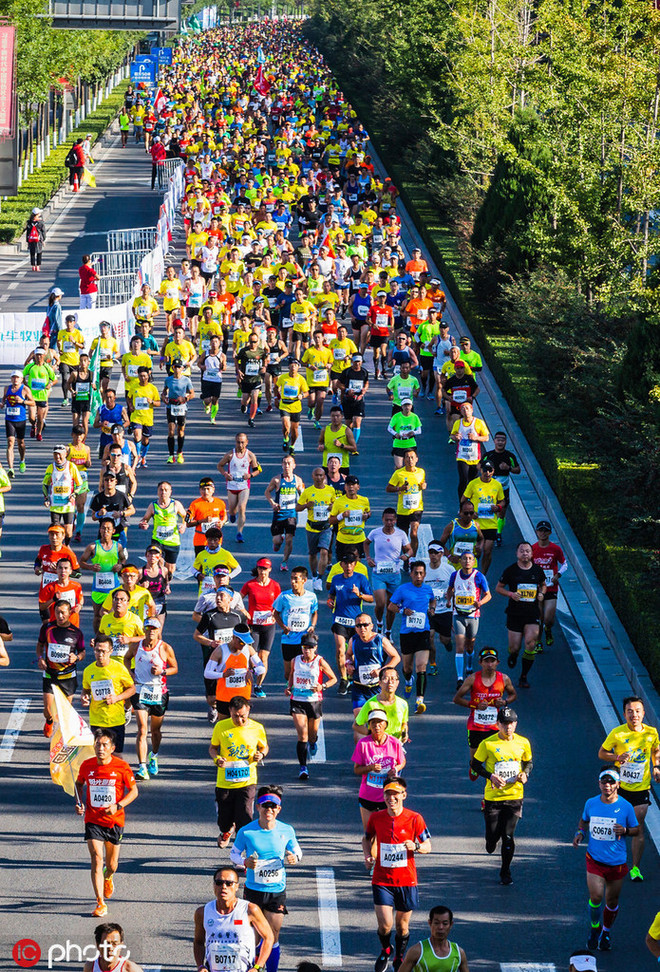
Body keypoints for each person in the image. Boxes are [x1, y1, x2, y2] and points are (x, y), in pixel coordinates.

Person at [362, 778, 432, 972]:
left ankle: (399, 957)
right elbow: (366, 839)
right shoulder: (376, 818)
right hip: (382, 879)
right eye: (387, 794)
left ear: (403, 795)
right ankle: (386, 949)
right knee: (385, 925)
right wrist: (368, 855)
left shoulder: (415, 818)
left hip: (406, 880)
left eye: (395, 794)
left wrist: (416, 846)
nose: (391, 798)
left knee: (402, 926)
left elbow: (428, 846)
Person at [230, 786, 303, 972]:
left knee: (273, 934)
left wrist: (294, 857)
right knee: (252, 936)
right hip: (254, 890)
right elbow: (234, 854)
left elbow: (297, 851)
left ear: (279, 809)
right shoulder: (246, 831)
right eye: (265, 806)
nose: (268, 810)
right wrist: (244, 862)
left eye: (273, 807)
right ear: (258, 807)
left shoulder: (287, 830)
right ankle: (252, 968)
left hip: (276, 891)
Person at [572, 768, 639, 951]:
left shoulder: (625, 807)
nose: (607, 786)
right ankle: (595, 928)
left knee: (612, 902)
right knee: (596, 897)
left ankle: (606, 932)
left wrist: (625, 831)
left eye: (611, 782)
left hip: (616, 862)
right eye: (603, 782)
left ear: (618, 784)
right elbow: (584, 820)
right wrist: (580, 833)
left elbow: (636, 830)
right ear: (599, 783)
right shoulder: (591, 803)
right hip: (594, 860)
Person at [75, 727, 139, 917]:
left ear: (112, 748)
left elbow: (134, 791)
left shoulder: (122, 767)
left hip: (114, 821)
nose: (100, 748)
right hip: (93, 820)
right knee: (96, 858)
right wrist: (79, 802)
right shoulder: (86, 765)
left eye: (104, 745)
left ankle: (109, 877)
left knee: (111, 865)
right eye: (97, 744)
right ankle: (100, 902)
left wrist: (118, 806)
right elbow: (79, 784)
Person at [597, 695, 660, 882]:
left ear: (643, 713)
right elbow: (601, 753)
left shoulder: (651, 733)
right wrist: (616, 758)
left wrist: (656, 767)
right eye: (630, 711)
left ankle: (635, 868)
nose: (634, 715)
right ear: (624, 714)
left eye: (638, 711)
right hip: (619, 788)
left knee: (637, 827)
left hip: (641, 788)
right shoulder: (617, 734)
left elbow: (656, 750)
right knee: (615, 827)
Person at [471, 707, 532, 886]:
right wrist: (491, 776)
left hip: (514, 795)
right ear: (498, 724)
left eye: (511, 723)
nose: (508, 727)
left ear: (516, 724)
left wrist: (525, 774)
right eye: (504, 724)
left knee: (508, 836)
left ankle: (505, 871)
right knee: (492, 839)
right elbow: (474, 764)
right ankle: (490, 841)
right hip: (493, 797)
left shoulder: (523, 742)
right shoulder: (488, 743)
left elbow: (528, 762)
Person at [209, 696, 268, 847]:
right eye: (236, 716)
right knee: (224, 820)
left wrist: (260, 754)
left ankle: (240, 852)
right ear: (230, 711)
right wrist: (217, 759)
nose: (240, 720)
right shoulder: (221, 726)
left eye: (243, 716)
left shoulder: (257, 728)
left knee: (245, 817)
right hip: (225, 781)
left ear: (248, 710)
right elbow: (213, 748)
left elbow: (264, 747)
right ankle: (226, 831)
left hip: (247, 781)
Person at [124, 617, 178, 780]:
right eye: (148, 628)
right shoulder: (136, 646)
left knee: (155, 731)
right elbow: (126, 658)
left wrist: (162, 672)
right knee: (141, 729)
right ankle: (142, 767)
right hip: (140, 690)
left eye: (154, 629)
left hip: (158, 692)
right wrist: (130, 673)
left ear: (159, 630)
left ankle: (153, 756)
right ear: (144, 629)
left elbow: (175, 668)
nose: (151, 631)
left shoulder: (165, 648)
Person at [193, 865, 273, 972]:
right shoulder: (203, 912)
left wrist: (258, 967)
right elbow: (198, 942)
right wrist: (200, 966)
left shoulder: (250, 910)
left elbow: (269, 937)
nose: (224, 887)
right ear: (214, 886)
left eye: (229, 883)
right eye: (219, 883)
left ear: (237, 887)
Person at [452, 647, 517, 779]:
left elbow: (513, 695)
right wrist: (475, 705)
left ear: (497, 662)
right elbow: (457, 699)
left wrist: (504, 702)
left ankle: (492, 788)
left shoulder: (504, 679)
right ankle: (474, 767)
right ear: (480, 662)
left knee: (495, 763)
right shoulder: (472, 679)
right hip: (476, 726)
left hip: (495, 726)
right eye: (486, 661)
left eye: (492, 661)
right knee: (476, 761)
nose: (489, 664)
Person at [286, 631, 337, 780]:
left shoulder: (320, 661)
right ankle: (303, 767)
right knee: (302, 734)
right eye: (304, 647)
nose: (307, 650)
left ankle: (313, 742)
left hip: (314, 701)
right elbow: (291, 675)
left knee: (312, 734)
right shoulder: (295, 660)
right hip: (297, 700)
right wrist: (289, 687)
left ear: (315, 648)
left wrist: (323, 686)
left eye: (310, 647)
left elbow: (333, 678)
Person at [495, 542, 547, 688]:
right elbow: (498, 588)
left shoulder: (537, 570)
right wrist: (511, 594)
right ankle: (513, 655)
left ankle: (523, 676)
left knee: (531, 643)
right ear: (517, 553)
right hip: (514, 614)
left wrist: (542, 593)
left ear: (531, 554)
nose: (525, 553)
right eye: (522, 551)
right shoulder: (510, 571)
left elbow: (543, 584)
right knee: (514, 647)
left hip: (532, 613)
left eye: (527, 551)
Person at [389, 562, 436, 714]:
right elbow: (391, 606)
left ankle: (419, 701)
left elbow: (432, 600)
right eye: (416, 573)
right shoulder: (403, 589)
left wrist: (432, 608)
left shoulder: (428, 589)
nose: (419, 576)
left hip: (423, 632)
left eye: (421, 573)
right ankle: (408, 680)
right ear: (411, 574)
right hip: (407, 633)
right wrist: (403, 610)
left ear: (425, 574)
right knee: (407, 668)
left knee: (421, 667)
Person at [37, 599, 85, 737]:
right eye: (57, 612)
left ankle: (61, 737)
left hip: (68, 676)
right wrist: (40, 659)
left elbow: (82, 651)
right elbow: (39, 645)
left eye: (63, 613)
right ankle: (49, 720)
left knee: (65, 710)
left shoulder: (76, 632)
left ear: (69, 613)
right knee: (48, 709)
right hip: (50, 673)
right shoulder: (47, 628)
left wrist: (77, 658)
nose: (60, 616)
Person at [194, 587, 243, 723]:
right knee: (212, 697)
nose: (218, 598)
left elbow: (245, 637)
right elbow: (196, 636)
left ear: (230, 599)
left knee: (232, 691)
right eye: (217, 596)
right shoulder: (209, 616)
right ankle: (214, 707)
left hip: (233, 660)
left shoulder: (238, 616)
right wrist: (211, 643)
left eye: (222, 596)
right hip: (214, 659)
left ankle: (230, 717)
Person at [328, 551, 374, 695]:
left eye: (351, 563)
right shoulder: (336, 579)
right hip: (339, 620)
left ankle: (354, 676)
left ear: (355, 565)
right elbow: (331, 595)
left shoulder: (361, 579)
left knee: (354, 652)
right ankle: (343, 679)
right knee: (341, 650)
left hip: (356, 623)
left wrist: (359, 594)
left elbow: (371, 598)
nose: (348, 566)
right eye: (345, 563)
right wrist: (330, 601)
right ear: (341, 565)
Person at [81, 635, 135, 755]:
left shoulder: (119, 668)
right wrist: (84, 697)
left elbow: (132, 689)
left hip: (115, 720)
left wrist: (117, 698)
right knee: (98, 755)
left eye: (104, 651)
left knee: (116, 756)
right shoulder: (88, 671)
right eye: (97, 651)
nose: (100, 654)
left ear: (111, 651)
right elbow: (86, 690)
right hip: (97, 721)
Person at [352, 708, 406, 829]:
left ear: (386, 725)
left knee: (385, 832)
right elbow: (356, 769)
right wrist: (370, 768)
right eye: (373, 722)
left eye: (380, 722)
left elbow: (402, 761)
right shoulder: (363, 744)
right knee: (369, 833)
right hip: (368, 795)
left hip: (388, 796)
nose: (377, 725)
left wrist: (395, 769)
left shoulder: (394, 742)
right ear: (369, 726)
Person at [445, 551, 491, 688]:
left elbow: (488, 595)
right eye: (464, 558)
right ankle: (460, 678)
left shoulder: (479, 576)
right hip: (458, 614)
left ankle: (469, 666)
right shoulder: (455, 575)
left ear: (474, 561)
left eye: (470, 559)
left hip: (473, 615)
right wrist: (449, 600)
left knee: (470, 645)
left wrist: (480, 603)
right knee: (459, 646)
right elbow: (449, 590)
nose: (467, 561)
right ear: (460, 561)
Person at [365, 508, 412, 637]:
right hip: (378, 573)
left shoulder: (401, 534)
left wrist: (406, 556)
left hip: (394, 575)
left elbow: (409, 549)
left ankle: (388, 631)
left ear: (395, 520)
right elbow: (366, 543)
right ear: (382, 520)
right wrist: (368, 558)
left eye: (392, 520)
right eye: (387, 520)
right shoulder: (375, 533)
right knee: (380, 604)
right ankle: (379, 623)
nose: (389, 522)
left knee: (391, 606)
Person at [204, 623, 265, 719]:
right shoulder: (220, 651)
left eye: (245, 642)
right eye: (241, 642)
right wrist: (223, 674)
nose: (243, 645)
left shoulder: (248, 649)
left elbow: (262, 668)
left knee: (242, 727)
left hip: (243, 697)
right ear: (234, 638)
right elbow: (207, 673)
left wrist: (252, 671)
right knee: (224, 727)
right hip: (225, 697)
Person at [240, 559, 281, 698]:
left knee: (264, 657)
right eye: (261, 569)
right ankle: (247, 683)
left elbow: (279, 603)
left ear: (270, 570)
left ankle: (258, 685)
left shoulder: (275, 585)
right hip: (253, 626)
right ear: (257, 569)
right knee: (252, 656)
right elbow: (238, 599)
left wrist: (276, 614)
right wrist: (244, 611)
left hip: (269, 625)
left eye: (265, 569)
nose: (263, 572)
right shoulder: (250, 585)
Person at [273, 567, 319, 680]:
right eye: (291, 578)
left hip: (305, 639)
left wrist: (312, 625)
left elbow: (315, 613)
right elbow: (275, 613)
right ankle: (291, 689)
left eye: (296, 579)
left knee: (306, 669)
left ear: (304, 580)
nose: (293, 582)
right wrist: (283, 627)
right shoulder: (284, 596)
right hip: (288, 639)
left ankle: (302, 692)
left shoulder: (311, 597)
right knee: (288, 673)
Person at [218, 432, 262, 543]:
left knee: (242, 507)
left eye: (243, 442)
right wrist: (225, 474)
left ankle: (239, 532)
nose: (240, 445)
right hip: (232, 485)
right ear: (235, 442)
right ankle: (232, 514)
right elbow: (219, 465)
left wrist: (250, 475)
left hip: (244, 486)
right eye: (238, 442)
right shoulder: (230, 455)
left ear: (247, 442)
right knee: (233, 509)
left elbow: (257, 470)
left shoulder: (250, 455)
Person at [296, 466, 337, 589]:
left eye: (321, 475)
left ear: (324, 477)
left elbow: (335, 504)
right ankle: (314, 575)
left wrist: (332, 507)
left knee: (324, 551)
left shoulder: (330, 490)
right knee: (313, 554)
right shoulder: (308, 491)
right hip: (312, 527)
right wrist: (306, 505)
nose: (319, 478)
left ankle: (320, 576)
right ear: (312, 477)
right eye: (316, 475)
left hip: (326, 526)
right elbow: (297, 507)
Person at [397, 905, 470, 972]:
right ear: (430, 923)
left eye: (445, 924)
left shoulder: (459, 953)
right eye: (436, 923)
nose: (440, 927)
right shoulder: (417, 951)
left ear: (451, 925)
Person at [461, 460, 504, 574]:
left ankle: (482, 575)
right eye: (485, 470)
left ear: (493, 471)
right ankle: (471, 572)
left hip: (491, 523)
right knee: (476, 551)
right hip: (476, 523)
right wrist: (470, 512)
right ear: (481, 470)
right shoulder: (473, 484)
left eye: (490, 470)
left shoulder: (497, 485)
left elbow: (502, 501)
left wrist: (498, 507)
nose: (487, 473)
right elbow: (463, 500)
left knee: (488, 550)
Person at [531, 520, 567, 651]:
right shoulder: (532, 549)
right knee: (538, 617)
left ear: (550, 532)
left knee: (548, 619)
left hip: (551, 587)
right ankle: (538, 642)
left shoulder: (555, 549)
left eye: (545, 531)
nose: (543, 533)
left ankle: (548, 629)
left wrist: (558, 575)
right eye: (540, 530)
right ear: (536, 532)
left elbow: (565, 564)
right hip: (537, 589)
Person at [265, 456, 305, 572]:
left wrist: (303, 503)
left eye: (289, 463)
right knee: (276, 541)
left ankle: (284, 561)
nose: (287, 466)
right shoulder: (277, 480)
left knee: (289, 539)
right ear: (282, 465)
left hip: (291, 514)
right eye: (285, 464)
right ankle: (279, 539)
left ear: (294, 465)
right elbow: (267, 492)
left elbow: (303, 494)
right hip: (279, 514)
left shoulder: (297, 480)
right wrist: (272, 503)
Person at [139, 481, 187, 578]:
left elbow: (185, 516)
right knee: (158, 563)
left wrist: (184, 525)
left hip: (172, 541)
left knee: (170, 570)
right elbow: (145, 519)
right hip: (157, 540)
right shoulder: (153, 506)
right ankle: (159, 585)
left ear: (170, 492)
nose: (163, 492)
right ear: (157, 492)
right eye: (161, 490)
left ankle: (167, 584)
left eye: (166, 490)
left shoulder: (176, 504)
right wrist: (144, 523)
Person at [353, 667, 410, 745]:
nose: (390, 682)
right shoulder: (371, 704)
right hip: (377, 747)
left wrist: (404, 733)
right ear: (379, 683)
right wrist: (372, 734)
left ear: (398, 683)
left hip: (395, 746)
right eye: (386, 679)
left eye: (393, 679)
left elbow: (404, 723)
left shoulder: (403, 704)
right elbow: (356, 725)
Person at [386, 449, 427, 556]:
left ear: (417, 459)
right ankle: (406, 557)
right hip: (403, 509)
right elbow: (388, 488)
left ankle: (412, 557)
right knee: (403, 536)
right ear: (404, 460)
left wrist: (424, 486)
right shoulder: (398, 473)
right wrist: (400, 488)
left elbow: (423, 483)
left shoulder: (421, 472)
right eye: (407, 457)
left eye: (412, 457)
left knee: (413, 533)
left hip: (416, 508)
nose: (410, 459)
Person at [483, 430, 520, 546]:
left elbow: (518, 470)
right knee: (489, 510)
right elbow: (479, 465)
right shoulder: (488, 455)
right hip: (489, 488)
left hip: (504, 489)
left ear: (505, 442)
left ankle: (498, 533)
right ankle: (487, 532)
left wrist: (508, 467)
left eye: (502, 440)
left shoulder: (510, 456)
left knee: (501, 511)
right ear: (494, 441)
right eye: (498, 440)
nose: (500, 442)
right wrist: (486, 473)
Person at [424, 541, 455, 673]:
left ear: (442, 554)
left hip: (445, 609)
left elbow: (455, 588)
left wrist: (448, 597)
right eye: (431, 552)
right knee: (429, 636)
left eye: (436, 553)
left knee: (444, 639)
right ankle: (432, 663)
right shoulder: (424, 569)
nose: (433, 555)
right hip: (429, 609)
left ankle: (448, 643)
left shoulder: (449, 569)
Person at [42, 442, 83, 540]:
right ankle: (60, 548)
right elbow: (45, 484)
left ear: (65, 454)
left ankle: (67, 545)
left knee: (68, 532)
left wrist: (73, 495)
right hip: (55, 504)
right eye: (55, 454)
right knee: (56, 530)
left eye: (60, 454)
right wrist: (46, 498)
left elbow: (80, 485)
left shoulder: (71, 467)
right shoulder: (51, 467)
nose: (57, 456)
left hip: (68, 505)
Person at [449, 402, 489, 500]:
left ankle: (472, 502)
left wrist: (475, 438)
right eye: (463, 409)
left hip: (475, 457)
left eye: (467, 408)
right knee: (463, 480)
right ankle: (462, 504)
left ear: (472, 410)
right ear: (461, 411)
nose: (465, 411)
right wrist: (455, 437)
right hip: (462, 456)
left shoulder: (479, 422)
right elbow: (452, 436)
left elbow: (486, 438)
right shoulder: (458, 423)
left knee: (473, 481)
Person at [329, 474, 371, 561]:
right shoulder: (338, 502)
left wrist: (366, 516)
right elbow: (330, 521)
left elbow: (368, 512)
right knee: (342, 566)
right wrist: (342, 516)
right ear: (345, 487)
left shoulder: (364, 500)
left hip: (359, 539)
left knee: (357, 565)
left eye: (353, 484)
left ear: (358, 487)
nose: (351, 487)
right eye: (348, 485)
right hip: (343, 540)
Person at [2, 370, 35, 476]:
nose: (15, 379)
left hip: (20, 420)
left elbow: (33, 402)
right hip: (9, 419)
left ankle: (22, 460)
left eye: (17, 378)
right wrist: (2, 403)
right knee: (10, 442)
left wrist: (23, 401)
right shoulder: (7, 388)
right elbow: (4, 399)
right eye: (13, 377)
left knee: (20, 443)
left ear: (21, 379)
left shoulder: (25, 389)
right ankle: (11, 468)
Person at [90, 472, 134, 547]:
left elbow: (132, 510)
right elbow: (93, 517)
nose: (109, 482)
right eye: (106, 480)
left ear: (116, 482)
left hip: (118, 531)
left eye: (112, 480)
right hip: (104, 532)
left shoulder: (121, 495)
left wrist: (120, 514)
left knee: (119, 555)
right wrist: (99, 514)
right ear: (103, 482)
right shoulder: (98, 498)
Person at [162, 358, 195, 464]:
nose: (177, 369)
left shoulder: (186, 380)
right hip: (171, 406)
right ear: (172, 368)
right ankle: (171, 455)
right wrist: (164, 398)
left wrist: (185, 399)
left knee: (180, 431)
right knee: (171, 431)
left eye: (179, 367)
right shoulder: (168, 380)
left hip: (181, 407)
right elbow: (164, 392)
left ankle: (180, 452)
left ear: (182, 368)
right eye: (175, 367)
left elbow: (192, 394)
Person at [275, 358, 309, 455]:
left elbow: (306, 392)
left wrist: (302, 395)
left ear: (298, 367)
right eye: (292, 365)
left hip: (296, 406)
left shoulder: (301, 379)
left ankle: (292, 445)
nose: (293, 367)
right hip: (284, 405)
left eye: (295, 365)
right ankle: (286, 438)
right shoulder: (283, 378)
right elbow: (276, 387)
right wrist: (276, 398)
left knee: (294, 430)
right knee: (286, 425)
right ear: (288, 366)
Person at [187, 478, 228, 557]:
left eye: (208, 489)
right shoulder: (195, 504)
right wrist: (201, 521)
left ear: (213, 490)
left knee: (216, 564)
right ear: (200, 490)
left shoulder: (220, 503)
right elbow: (187, 523)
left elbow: (224, 516)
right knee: (201, 566)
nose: (206, 492)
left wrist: (222, 522)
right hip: (200, 541)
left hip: (216, 541)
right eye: (203, 489)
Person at [24, 345, 56, 440]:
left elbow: (54, 379)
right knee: (31, 417)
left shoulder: (47, 367)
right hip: (32, 396)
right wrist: (26, 385)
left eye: (40, 355)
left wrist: (50, 384)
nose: (38, 357)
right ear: (34, 356)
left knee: (40, 418)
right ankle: (33, 426)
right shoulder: (30, 367)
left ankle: (39, 433)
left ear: (43, 356)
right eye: (37, 355)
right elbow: (22, 376)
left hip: (42, 396)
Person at [439, 501, 483, 570]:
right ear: (460, 513)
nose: (469, 516)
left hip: (471, 564)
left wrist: (479, 548)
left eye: (471, 513)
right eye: (466, 513)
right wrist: (450, 556)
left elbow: (481, 539)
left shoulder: (476, 526)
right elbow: (440, 544)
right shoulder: (452, 526)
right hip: (455, 565)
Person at [236, 333, 268, 428]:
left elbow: (265, 359)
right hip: (246, 379)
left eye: (255, 342)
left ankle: (251, 418)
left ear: (258, 342)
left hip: (256, 378)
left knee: (255, 396)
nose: (253, 344)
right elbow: (236, 359)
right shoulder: (244, 351)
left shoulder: (261, 352)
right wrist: (238, 371)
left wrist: (264, 367)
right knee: (245, 400)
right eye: (251, 342)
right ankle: (244, 405)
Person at [26, 207, 46, 271]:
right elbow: (43, 232)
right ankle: (38, 266)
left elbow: (28, 232)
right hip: (38, 240)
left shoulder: (29, 222)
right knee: (39, 252)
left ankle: (33, 266)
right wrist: (43, 240)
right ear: (37, 214)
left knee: (32, 253)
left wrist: (27, 241)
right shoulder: (41, 223)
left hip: (31, 240)